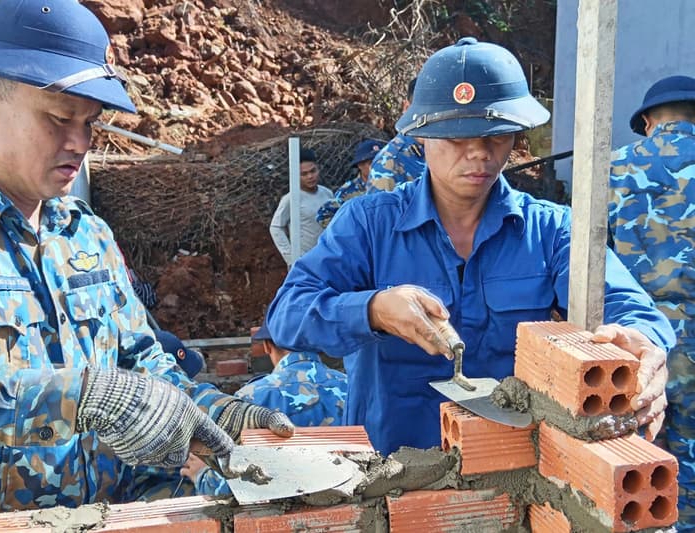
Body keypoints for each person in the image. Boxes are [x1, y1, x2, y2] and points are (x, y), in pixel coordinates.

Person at [0, 0, 293, 517]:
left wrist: (216, 413)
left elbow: (144, 364)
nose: (80, 143)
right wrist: (82, 396)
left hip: (121, 517)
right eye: (60, 119)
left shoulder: (86, 234)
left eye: (90, 123)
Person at [265, 37, 675, 457]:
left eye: (494, 136)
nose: (479, 152)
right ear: (423, 138)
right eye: (458, 138)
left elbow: (629, 308)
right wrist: (372, 310)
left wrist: (642, 340)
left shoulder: (550, 230)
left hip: (513, 467)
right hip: (395, 468)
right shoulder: (369, 225)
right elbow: (287, 314)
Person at [608, 75, 695, 529]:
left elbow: (587, 259)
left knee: (634, 450)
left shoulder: (616, 166)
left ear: (646, 122)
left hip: (634, 336)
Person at [180, 321, 348, 496]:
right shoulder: (351, 387)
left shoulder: (249, 398)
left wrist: (201, 475)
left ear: (267, 346)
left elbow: (231, 486)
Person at [269, 148, 334, 267]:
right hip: (305, 262)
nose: (310, 176)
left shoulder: (327, 194)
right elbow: (276, 227)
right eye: (304, 174)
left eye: (313, 171)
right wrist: (291, 258)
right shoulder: (291, 199)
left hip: (328, 259)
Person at [366, 78, 427, 194]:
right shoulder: (389, 162)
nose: (428, 117)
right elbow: (381, 210)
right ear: (407, 108)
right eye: (422, 109)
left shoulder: (446, 151)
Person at [316, 138, 383, 228]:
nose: (379, 165)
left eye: (381, 160)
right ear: (360, 165)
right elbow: (324, 215)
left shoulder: (391, 185)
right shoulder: (348, 191)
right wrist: (348, 233)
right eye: (372, 162)